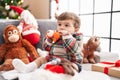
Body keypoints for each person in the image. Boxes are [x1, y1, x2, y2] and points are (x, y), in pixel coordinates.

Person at [12, 12, 83, 76]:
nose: (61, 27)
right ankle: (27, 68)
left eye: (66, 25)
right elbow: (46, 48)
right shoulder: (56, 34)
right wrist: (49, 39)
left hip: (70, 61)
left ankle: (58, 72)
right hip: (54, 58)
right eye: (59, 24)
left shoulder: (77, 37)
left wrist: (66, 36)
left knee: (74, 67)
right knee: (41, 59)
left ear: (76, 29)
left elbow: (74, 51)